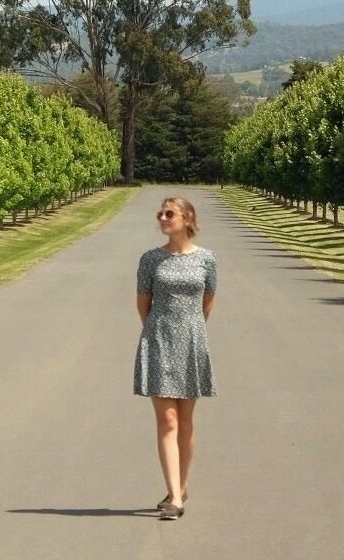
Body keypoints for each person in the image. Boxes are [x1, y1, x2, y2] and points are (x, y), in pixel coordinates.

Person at [133, 196, 218, 521]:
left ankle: (179, 488)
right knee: (167, 420)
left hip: (192, 341)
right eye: (161, 213)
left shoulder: (207, 259)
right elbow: (143, 302)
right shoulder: (151, 259)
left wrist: (191, 329)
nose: (163, 218)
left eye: (170, 213)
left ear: (187, 218)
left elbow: (208, 300)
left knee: (185, 421)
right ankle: (175, 499)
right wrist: (157, 331)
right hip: (159, 339)